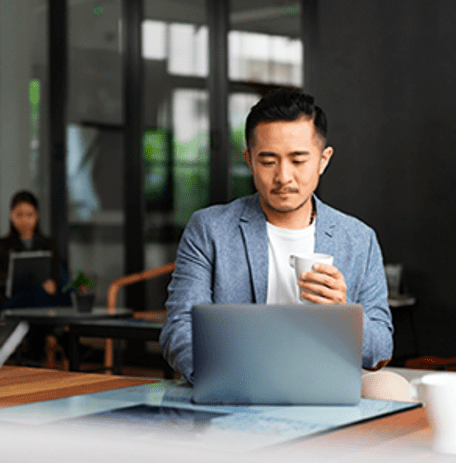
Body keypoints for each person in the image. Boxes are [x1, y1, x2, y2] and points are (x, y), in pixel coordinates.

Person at [159, 89, 393, 383]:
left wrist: (343, 314)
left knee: (389, 387)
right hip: (236, 382)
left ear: (323, 160)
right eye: (268, 161)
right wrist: (228, 378)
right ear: (249, 160)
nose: (283, 176)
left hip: (323, 383)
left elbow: (381, 349)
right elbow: (178, 329)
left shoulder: (358, 239)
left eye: (298, 160)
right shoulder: (210, 229)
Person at [0, 190, 66, 312]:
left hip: (42, 297)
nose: (24, 220)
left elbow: (57, 279)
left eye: (29, 215)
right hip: (13, 301)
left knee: (37, 292)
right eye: (19, 215)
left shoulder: (49, 245)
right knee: (31, 292)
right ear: (11, 215)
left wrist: (52, 285)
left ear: (36, 216)